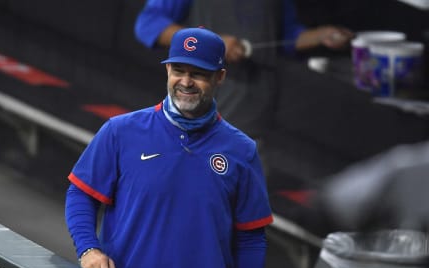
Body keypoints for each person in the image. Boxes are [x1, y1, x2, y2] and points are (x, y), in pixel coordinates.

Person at [65, 27, 274, 268]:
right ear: (167, 71)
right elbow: (80, 194)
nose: (185, 82)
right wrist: (88, 249)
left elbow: (251, 241)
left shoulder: (242, 151)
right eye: (178, 70)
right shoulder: (121, 132)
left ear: (220, 77)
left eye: (198, 73)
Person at [134, 0, 353, 177]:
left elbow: (283, 37)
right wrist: (210, 42)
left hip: (254, 123)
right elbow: (149, 24)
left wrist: (320, 36)